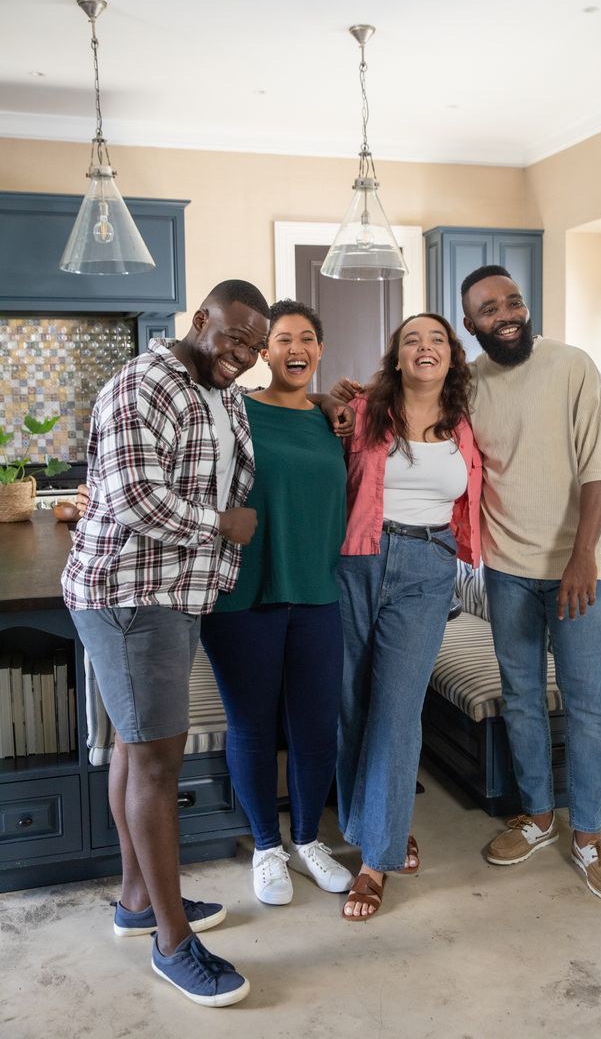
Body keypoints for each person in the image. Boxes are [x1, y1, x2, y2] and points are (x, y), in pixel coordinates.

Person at [62, 279, 271, 1007]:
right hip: (130, 594)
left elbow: (232, 468)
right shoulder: (141, 383)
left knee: (133, 747)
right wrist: (221, 525)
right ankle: (174, 943)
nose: (242, 353)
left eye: (254, 344)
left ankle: (138, 900)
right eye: (233, 335)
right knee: (156, 760)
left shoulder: (226, 395)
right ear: (200, 319)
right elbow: (131, 498)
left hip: (175, 595)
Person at [460, 264, 601, 903]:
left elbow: (600, 468)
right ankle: (537, 817)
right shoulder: (468, 384)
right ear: (470, 324)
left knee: (588, 703)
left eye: (514, 301)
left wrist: (584, 557)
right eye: (489, 308)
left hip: (575, 570)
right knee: (523, 697)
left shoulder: (571, 365)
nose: (507, 314)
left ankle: (588, 836)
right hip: (505, 572)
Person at [200, 300, 354, 906]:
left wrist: (328, 402)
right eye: (284, 338)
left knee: (317, 727)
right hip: (243, 593)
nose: (297, 347)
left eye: (308, 338)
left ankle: (310, 839)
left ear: (319, 351)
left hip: (317, 590)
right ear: (265, 352)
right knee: (253, 725)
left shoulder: (334, 420)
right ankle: (266, 846)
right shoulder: (230, 408)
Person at [334, 312, 482, 920]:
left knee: (397, 711)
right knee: (351, 703)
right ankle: (376, 824)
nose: (425, 347)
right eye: (412, 340)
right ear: (397, 356)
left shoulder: (468, 426)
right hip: (357, 562)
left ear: (451, 356)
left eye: (437, 340)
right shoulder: (365, 412)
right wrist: (330, 397)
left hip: (427, 567)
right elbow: (316, 425)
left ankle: (376, 859)